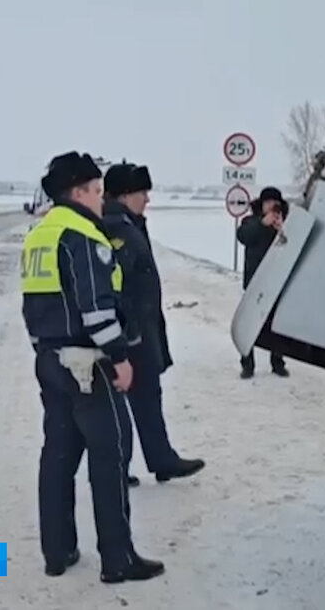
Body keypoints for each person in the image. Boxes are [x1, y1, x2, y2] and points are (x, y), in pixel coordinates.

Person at [21, 151, 165, 584]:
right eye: (98, 192)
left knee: (58, 456)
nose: (102, 201)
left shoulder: (39, 234)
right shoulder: (83, 235)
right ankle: (118, 559)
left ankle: (58, 550)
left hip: (49, 360)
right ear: (79, 192)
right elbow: (96, 310)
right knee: (111, 453)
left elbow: (32, 309)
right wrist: (119, 357)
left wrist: (46, 353)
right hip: (88, 363)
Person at [102, 161, 206, 487]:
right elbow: (117, 285)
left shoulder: (128, 223)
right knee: (122, 398)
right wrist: (129, 331)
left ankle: (160, 459)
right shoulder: (115, 227)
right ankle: (120, 467)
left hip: (139, 328)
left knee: (146, 394)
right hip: (128, 332)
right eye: (141, 192)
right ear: (123, 195)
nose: (147, 199)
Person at [235, 186, 290, 379]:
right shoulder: (250, 221)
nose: (271, 207)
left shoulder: (286, 224)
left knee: (275, 326)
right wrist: (262, 224)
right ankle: (247, 364)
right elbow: (243, 235)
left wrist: (282, 230)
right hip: (254, 283)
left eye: (274, 204)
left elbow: (290, 247)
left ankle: (278, 362)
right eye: (267, 203)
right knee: (249, 324)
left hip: (276, 283)